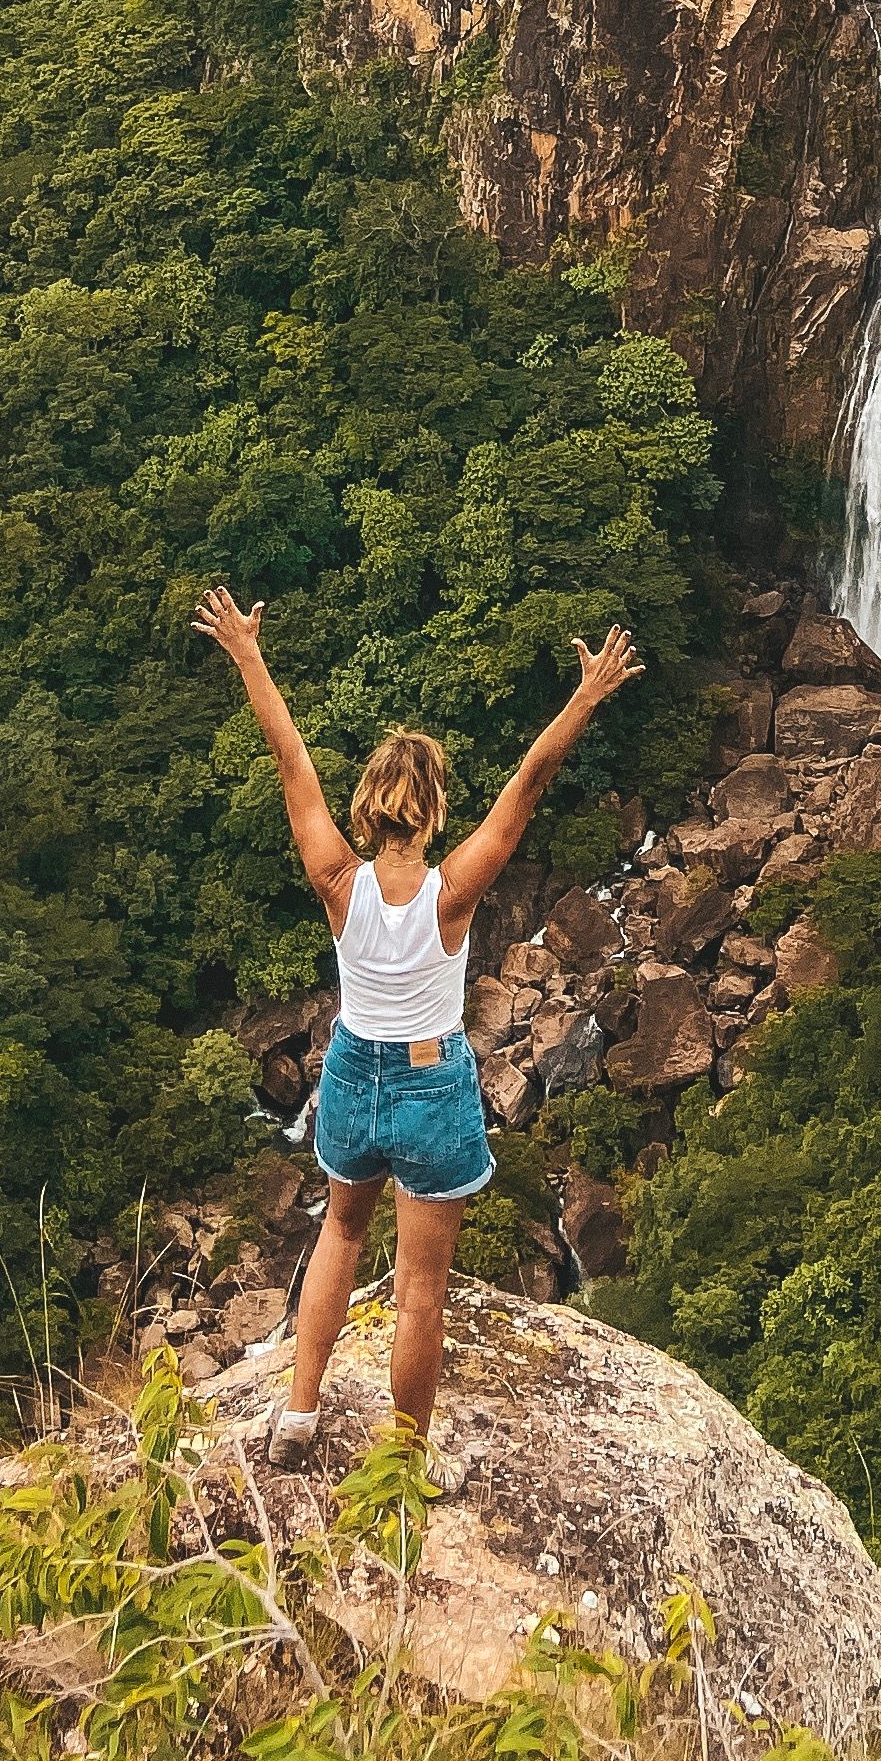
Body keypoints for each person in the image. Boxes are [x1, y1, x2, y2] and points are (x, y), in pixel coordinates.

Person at [193, 584, 641, 1445]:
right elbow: (529, 782)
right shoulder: (451, 894)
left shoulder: (337, 879)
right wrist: (586, 695)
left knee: (339, 1234)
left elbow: (291, 763)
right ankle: (405, 1455)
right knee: (420, 1291)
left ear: (367, 808)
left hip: (350, 1072)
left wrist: (248, 654)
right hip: (431, 1084)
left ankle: (300, 1410)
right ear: (433, 812)